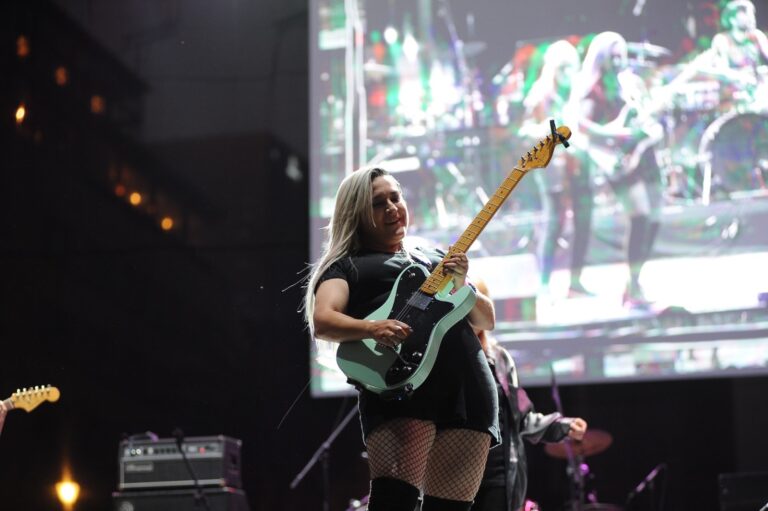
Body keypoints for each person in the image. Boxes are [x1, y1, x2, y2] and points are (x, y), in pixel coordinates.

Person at [305, 166, 500, 511]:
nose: (392, 208)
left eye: (395, 197)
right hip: (400, 389)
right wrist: (371, 328)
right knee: (395, 502)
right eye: (378, 204)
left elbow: (486, 319)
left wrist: (462, 282)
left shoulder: (434, 257)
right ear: (357, 214)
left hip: (467, 388)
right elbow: (323, 319)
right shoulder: (347, 266)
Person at [470, 280, 587, 511]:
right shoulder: (442, 355)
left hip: (498, 477)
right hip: (452, 471)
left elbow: (523, 416)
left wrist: (563, 426)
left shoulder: (500, 359)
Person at [574, 31, 665, 307]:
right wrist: (617, 134)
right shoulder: (595, 88)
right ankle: (633, 286)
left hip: (644, 154)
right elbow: (582, 126)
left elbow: (643, 114)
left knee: (654, 219)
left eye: (620, 55)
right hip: (618, 159)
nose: (617, 61)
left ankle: (633, 284)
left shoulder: (629, 83)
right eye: (611, 56)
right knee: (640, 217)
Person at [518, 39, 593, 300]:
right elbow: (525, 131)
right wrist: (553, 132)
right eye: (562, 67)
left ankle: (576, 281)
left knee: (584, 218)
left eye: (571, 67)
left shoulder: (578, 92)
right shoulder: (540, 94)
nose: (567, 73)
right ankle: (545, 284)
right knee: (554, 222)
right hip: (551, 166)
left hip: (578, 164)